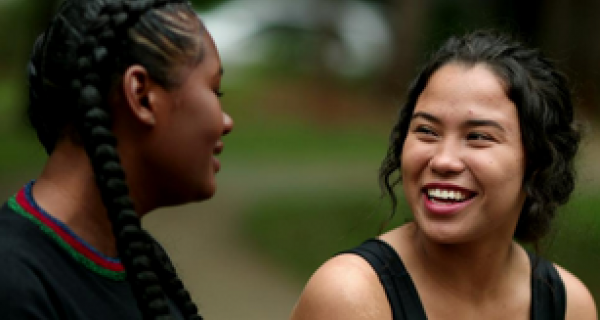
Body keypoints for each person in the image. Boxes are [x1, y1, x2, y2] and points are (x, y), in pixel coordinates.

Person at [290, 30, 597, 320]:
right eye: (426, 131)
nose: (443, 160)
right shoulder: (351, 296)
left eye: (478, 136)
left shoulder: (568, 305)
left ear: (539, 161)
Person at [0, 0, 232, 319]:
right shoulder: (14, 283)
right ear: (141, 96)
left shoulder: (139, 262)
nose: (226, 122)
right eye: (215, 90)